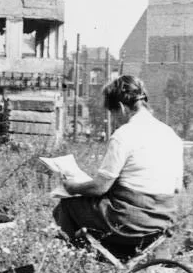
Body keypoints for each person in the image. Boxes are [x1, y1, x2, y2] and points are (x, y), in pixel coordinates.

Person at [53, 75, 183, 247]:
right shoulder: (171, 135)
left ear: (121, 108)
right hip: (161, 224)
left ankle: (77, 257)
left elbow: (100, 187)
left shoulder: (124, 135)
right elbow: (176, 188)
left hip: (129, 223)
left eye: (113, 113)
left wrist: (73, 187)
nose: (114, 119)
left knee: (67, 205)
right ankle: (111, 255)